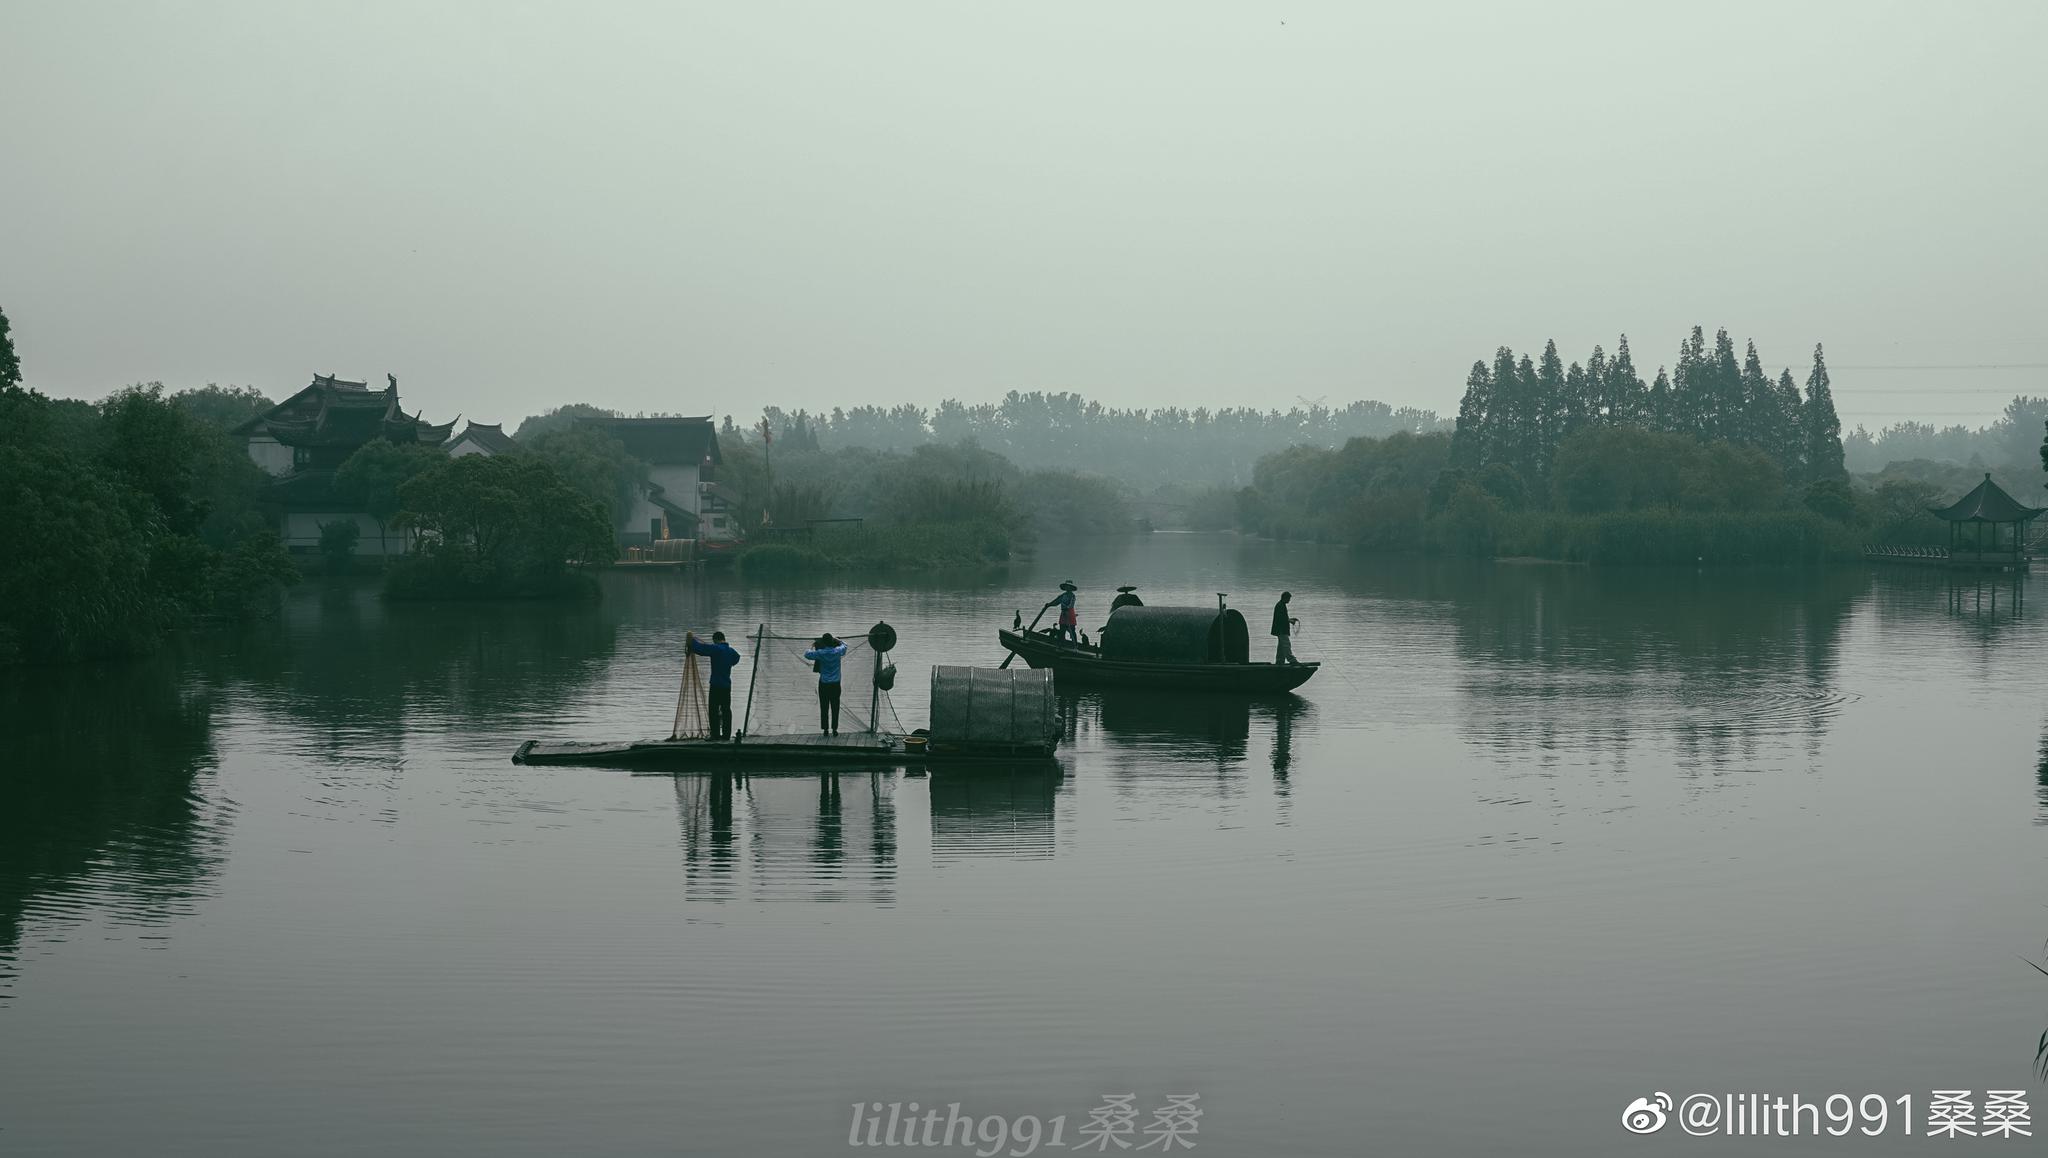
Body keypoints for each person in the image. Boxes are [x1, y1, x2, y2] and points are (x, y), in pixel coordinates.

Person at [686, 630, 742, 739]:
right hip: (726, 685)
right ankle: (726, 735)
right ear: (724, 639)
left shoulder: (716, 648)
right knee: (726, 710)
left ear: (715, 640)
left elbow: (701, 649)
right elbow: (737, 658)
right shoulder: (731, 651)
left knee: (713, 710)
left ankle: (715, 735)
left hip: (716, 685)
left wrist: (690, 639)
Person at [804, 632, 849, 734]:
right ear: (832, 642)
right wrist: (838, 640)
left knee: (824, 706)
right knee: (835, 706)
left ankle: (825, 729)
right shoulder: (837, 651)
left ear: (823, 643)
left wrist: (812, 646)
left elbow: (807, 654)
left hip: (824, 683)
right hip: (835, 684)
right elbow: (845, 646)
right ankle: (834, 729)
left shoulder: (821, 653)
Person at [1272, 591, 1299, 665]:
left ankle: (1279, 661)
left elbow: (1283, 618)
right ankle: (1292, 660)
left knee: (1281, 647)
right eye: (1289, 599)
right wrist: (1290, 621)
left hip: (1280, 630)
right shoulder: (1280, 606)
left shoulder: (1281, 605)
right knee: (1286, 645)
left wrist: (1290, 619)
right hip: (1281, 630)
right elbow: (1281, 619)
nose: (1289, 600)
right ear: (1285, 598)